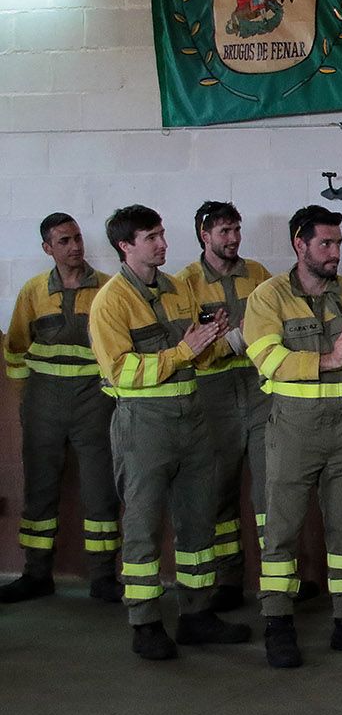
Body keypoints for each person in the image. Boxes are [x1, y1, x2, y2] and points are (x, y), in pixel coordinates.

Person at [88, 205, 249, 660]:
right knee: (142, 525)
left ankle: (196, 615)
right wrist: (183, 351)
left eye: (162, 234)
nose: (163, 244)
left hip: (192, 417)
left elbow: (195, 354)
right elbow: (120, 371)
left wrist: (213, 340)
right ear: (125, 246)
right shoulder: (110, 301)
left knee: (198, 520)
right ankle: (144, 622)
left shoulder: (178, 288)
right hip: (144, 423)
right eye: (151, 237)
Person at [243, 205, 342, 668]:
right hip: (294, 425)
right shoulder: (267, 297)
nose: (335, 252)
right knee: (281, 528)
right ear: (299, 244)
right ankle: (277, 622)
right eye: (325, 243)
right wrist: (331, 358)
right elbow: (268, 359)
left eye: (338, 243)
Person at [176, 201, 320, 611]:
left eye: (236, 229)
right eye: (224, 231)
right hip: (212, 394)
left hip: (260, 390)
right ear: (204, 235)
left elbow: (276, 328)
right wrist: (235, 340)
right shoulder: (185, 283)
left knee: (271, 487)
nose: (233, 238)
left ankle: (280, 579)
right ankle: (228, 581)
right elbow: (193, 350)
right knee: (219, 488)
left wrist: (233, 339)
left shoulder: (258, 274)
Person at [1, 213, 121, 604]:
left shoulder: (108, 288)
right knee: (39, 488)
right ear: (47, 248)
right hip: (43, 404)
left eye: (77, 238)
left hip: (95, 403)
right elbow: (16, 348)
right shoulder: (34, 291)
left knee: (101, 488)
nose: (75, 247)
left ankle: (103, 576)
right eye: (64, 241)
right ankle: (36, 573)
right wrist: (27, 399)